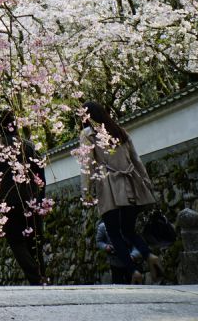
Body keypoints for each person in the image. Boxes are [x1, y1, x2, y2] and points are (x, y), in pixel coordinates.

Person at [79, 101, 160, 284]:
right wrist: (146, 183)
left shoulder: (88, 134)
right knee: (129, 230)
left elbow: (87, 166)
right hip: (131, 185)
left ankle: (134, 272)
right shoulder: (121, 132)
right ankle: (149, 256)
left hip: (109, 189)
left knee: (114, 233)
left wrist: (87, 192)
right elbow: (136, 160)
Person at [0, 108, 47, 285]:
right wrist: (41, 198)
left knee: (16, 241)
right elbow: (40, 175)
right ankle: (42, 276)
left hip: (7, 201)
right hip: (31, 197)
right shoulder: (27, 145)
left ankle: (35, 277)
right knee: (34, 240)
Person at [96, 220, 140, 285]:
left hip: (130, 262)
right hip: (115, 262)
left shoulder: (130, 226)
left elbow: (137, 244)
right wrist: (106, 247)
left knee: (133, 285)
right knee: (117, 285)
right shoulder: (103, 227)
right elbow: (99, 241)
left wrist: (133, 255)